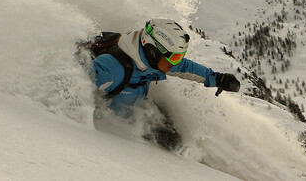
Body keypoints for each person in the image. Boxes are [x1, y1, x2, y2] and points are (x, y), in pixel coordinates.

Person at [92, 18, 240, 149]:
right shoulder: (110, 68)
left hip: (137, 109)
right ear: (153, 51)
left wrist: (217, 78)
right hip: (117, 129)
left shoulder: (152, 61)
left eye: (179, 56)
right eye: (175, 57)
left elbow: (185, 67)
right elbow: (77, 94)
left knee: (174, 142)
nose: (176, 62)